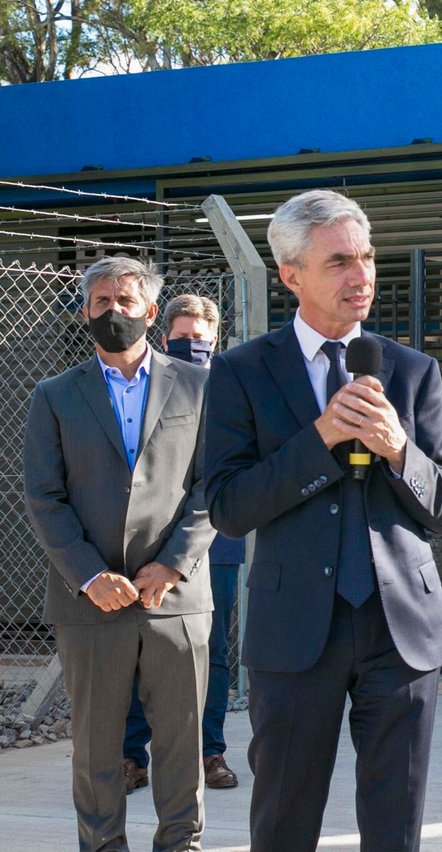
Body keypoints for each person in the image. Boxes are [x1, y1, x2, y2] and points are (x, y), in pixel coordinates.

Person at [204, 189, 442, 851]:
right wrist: (319, 438)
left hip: (401, 633)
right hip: (294, 633)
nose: (362, 276)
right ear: (291, 274)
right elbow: (230, 508)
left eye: (368, 258)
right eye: (340, 262)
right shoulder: (241, 372)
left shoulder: (412, 372)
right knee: (284, 824)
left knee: (394, 827)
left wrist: (399, 450)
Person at [25, 256, 213, 852]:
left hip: (176, 599)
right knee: (96, 751)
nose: (114, 312)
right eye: (102, 302)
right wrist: (89, 575)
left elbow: (214, 484)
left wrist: (174, 562)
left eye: (126, 302)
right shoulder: (54, 395)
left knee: (182, 746)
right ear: (85, 311)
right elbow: (43, 496)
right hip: (91, 603)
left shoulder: (200, 387)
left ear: (152, 312)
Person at [123, 294, 241, 793]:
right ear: (162, 335)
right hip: (149, 541)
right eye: (182, 337)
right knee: (134, 647)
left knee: (210, 650)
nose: (191, 346)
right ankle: (132, 755)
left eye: (200, 339)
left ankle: (209, 751)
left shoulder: (234, 387)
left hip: (216, 540)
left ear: (216, 340)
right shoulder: (151, 387)